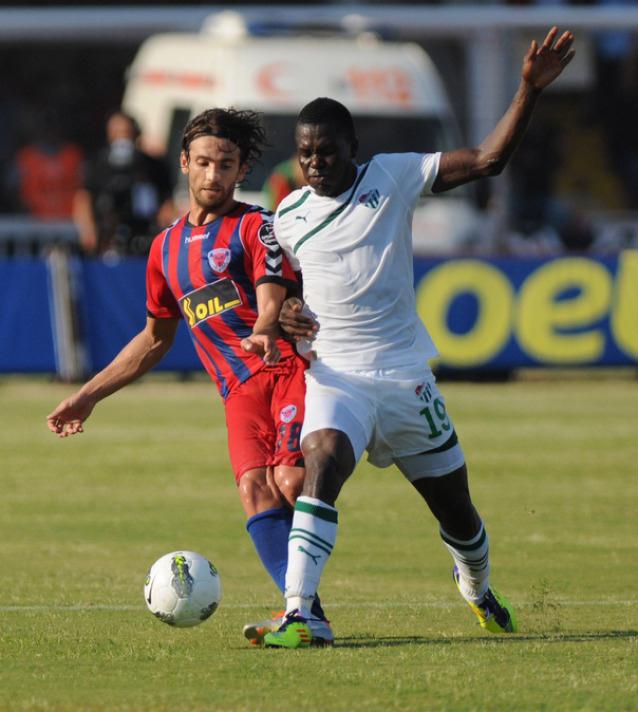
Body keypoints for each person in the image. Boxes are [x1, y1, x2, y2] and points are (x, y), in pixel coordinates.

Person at [261, 27, 575, 648]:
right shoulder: (289, 215)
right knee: (322, 459)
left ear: (353, 148)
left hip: (404, 376)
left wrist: (528, 90)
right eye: (305, 153)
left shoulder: (393, 176)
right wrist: (288, 313)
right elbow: (286, 294)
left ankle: (477, 588)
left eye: (327, 151)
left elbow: (486, 160)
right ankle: (301, 612)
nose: (315, 163)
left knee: (456, 512)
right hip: (337, 376)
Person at [47, 108, 333, 646]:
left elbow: (271, 294)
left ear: (241, 169)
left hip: (285, 370)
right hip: (237, 391)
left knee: (291, 482)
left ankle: (303, 608)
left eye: (225, 164)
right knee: (255, 490)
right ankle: (308, 616)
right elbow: (154, 339)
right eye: (202, 162)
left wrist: (267, 325)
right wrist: (88, 396)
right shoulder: (164, 249)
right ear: (184, 163)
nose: (212, 174)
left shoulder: (255, 226)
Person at [73, 110, 175, 255]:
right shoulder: (97, 165)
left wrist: (165, 229)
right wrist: (88, 230)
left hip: (144, 232)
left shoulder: (153, 165)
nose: (122, 137)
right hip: (107, 235)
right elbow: (83, 199)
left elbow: (167, 200)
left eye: (126, 132)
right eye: (116, 132)